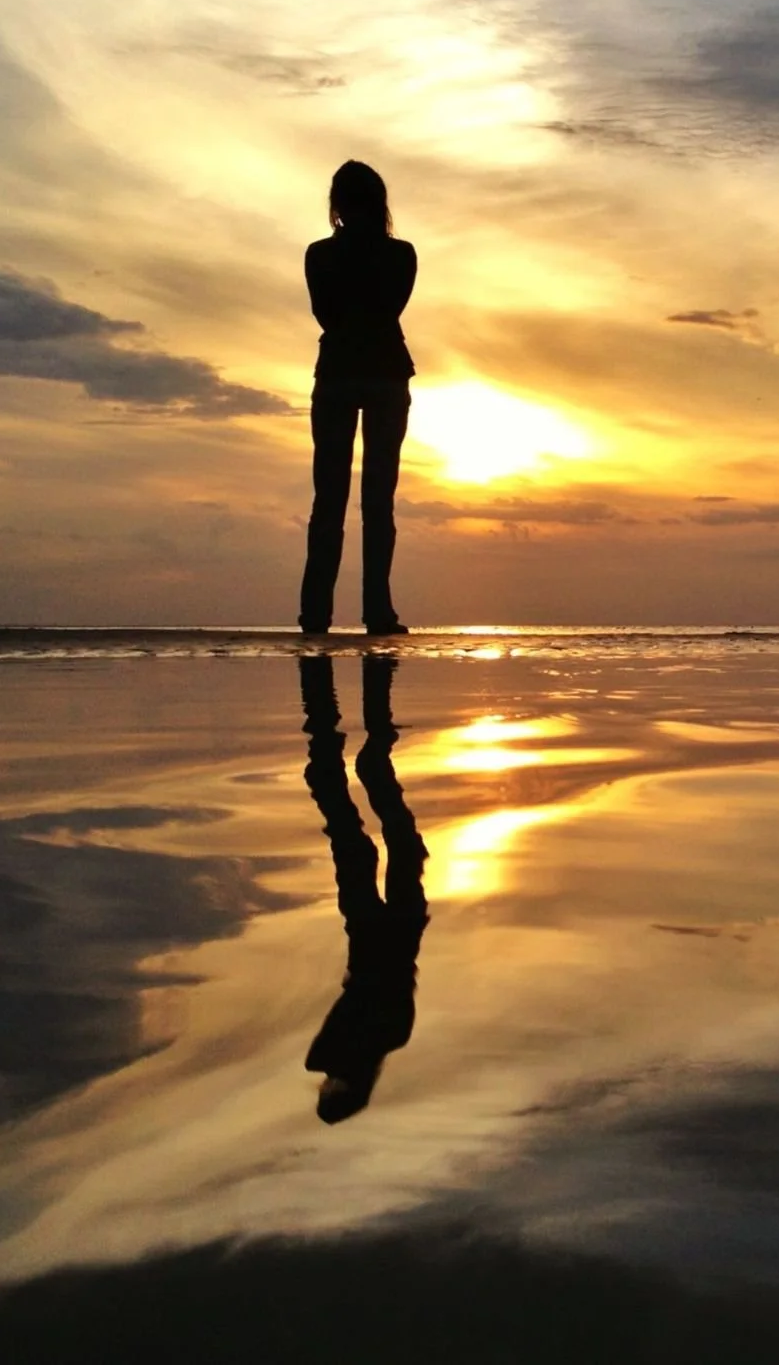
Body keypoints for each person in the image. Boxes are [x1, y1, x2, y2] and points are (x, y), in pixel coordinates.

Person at [299, 654, 429, 1124]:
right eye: (332, 1093)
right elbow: (364, 1004)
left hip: (381, 939)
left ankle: (338, 768)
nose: (326, 1083)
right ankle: (362, 766)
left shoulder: (378, 1040)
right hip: (389, 939)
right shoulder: (386, 1037)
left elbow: (340, 1028)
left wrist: (341, 1065)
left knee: (364, 849)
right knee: (379, 848)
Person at [298, 160, 417, 637]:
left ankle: (316, 614)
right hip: (384, 371)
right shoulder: (400, 254)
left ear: (338, 204)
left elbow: (326, 315)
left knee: (330, 499)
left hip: (344, 371)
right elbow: (388, 310)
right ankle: (377, 612)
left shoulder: (320, 254)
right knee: (376, 501)